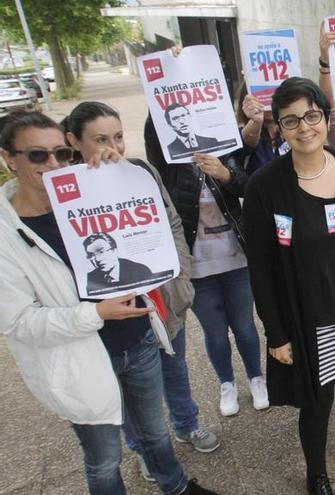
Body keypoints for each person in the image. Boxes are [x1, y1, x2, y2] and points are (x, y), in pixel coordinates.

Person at [0, 110, 216, 494]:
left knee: (155, 434)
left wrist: (118, 179)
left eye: (61, 155)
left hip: (138, 338)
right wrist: (94, 314)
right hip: (81, 361)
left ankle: (177, 487)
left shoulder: (96, 190)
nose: (53, 164)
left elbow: (156, 231)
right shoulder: (8, 233)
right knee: (103, 461)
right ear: (8, 158)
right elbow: (18, 322)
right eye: (37, 155)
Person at [242, 77, 335, 495]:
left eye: (311, 115)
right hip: (308, 316)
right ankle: (316, 473)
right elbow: (261, 267)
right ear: (280, 127)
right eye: (291, 120)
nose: (304, 127)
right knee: (317, 400)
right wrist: (276, 333)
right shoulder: (265, 187)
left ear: (325, 117)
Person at [63, 101, 220, 482]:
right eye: (100, 139)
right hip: (113, 310)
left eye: (117, 137)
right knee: (129, 390)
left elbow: (169, 220)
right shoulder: (66, 188)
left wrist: (180, 274)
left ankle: (187, 423)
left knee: (175, 364)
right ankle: (145, 450)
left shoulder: (141, 171)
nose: (112, 148)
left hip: (161, 296)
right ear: (74, 141)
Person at [146, 105, 268, 417]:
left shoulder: (219, 143)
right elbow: (152, 132)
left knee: (244, 327)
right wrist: (166, 81)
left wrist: (224, 173)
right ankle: (226, 383)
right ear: (168, 125)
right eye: (175, 118)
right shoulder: (168, 161)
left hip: (236, 259)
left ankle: (256, 378)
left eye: (187, 114)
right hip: (197, 266)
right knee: (215, 332)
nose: (183, 121)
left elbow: (246, 185)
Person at [236, 85, 289, 175]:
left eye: (274, 96)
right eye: (261, 97)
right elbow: (246, 142)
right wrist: (256, 121)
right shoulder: (244, 134)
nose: (270, 103)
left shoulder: (293, 129)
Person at [83, 232, 157, 294]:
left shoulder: (141, 270)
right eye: (91, 255)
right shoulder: (91, 278)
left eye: (101, 252)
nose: (97, 259)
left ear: (115, 250)